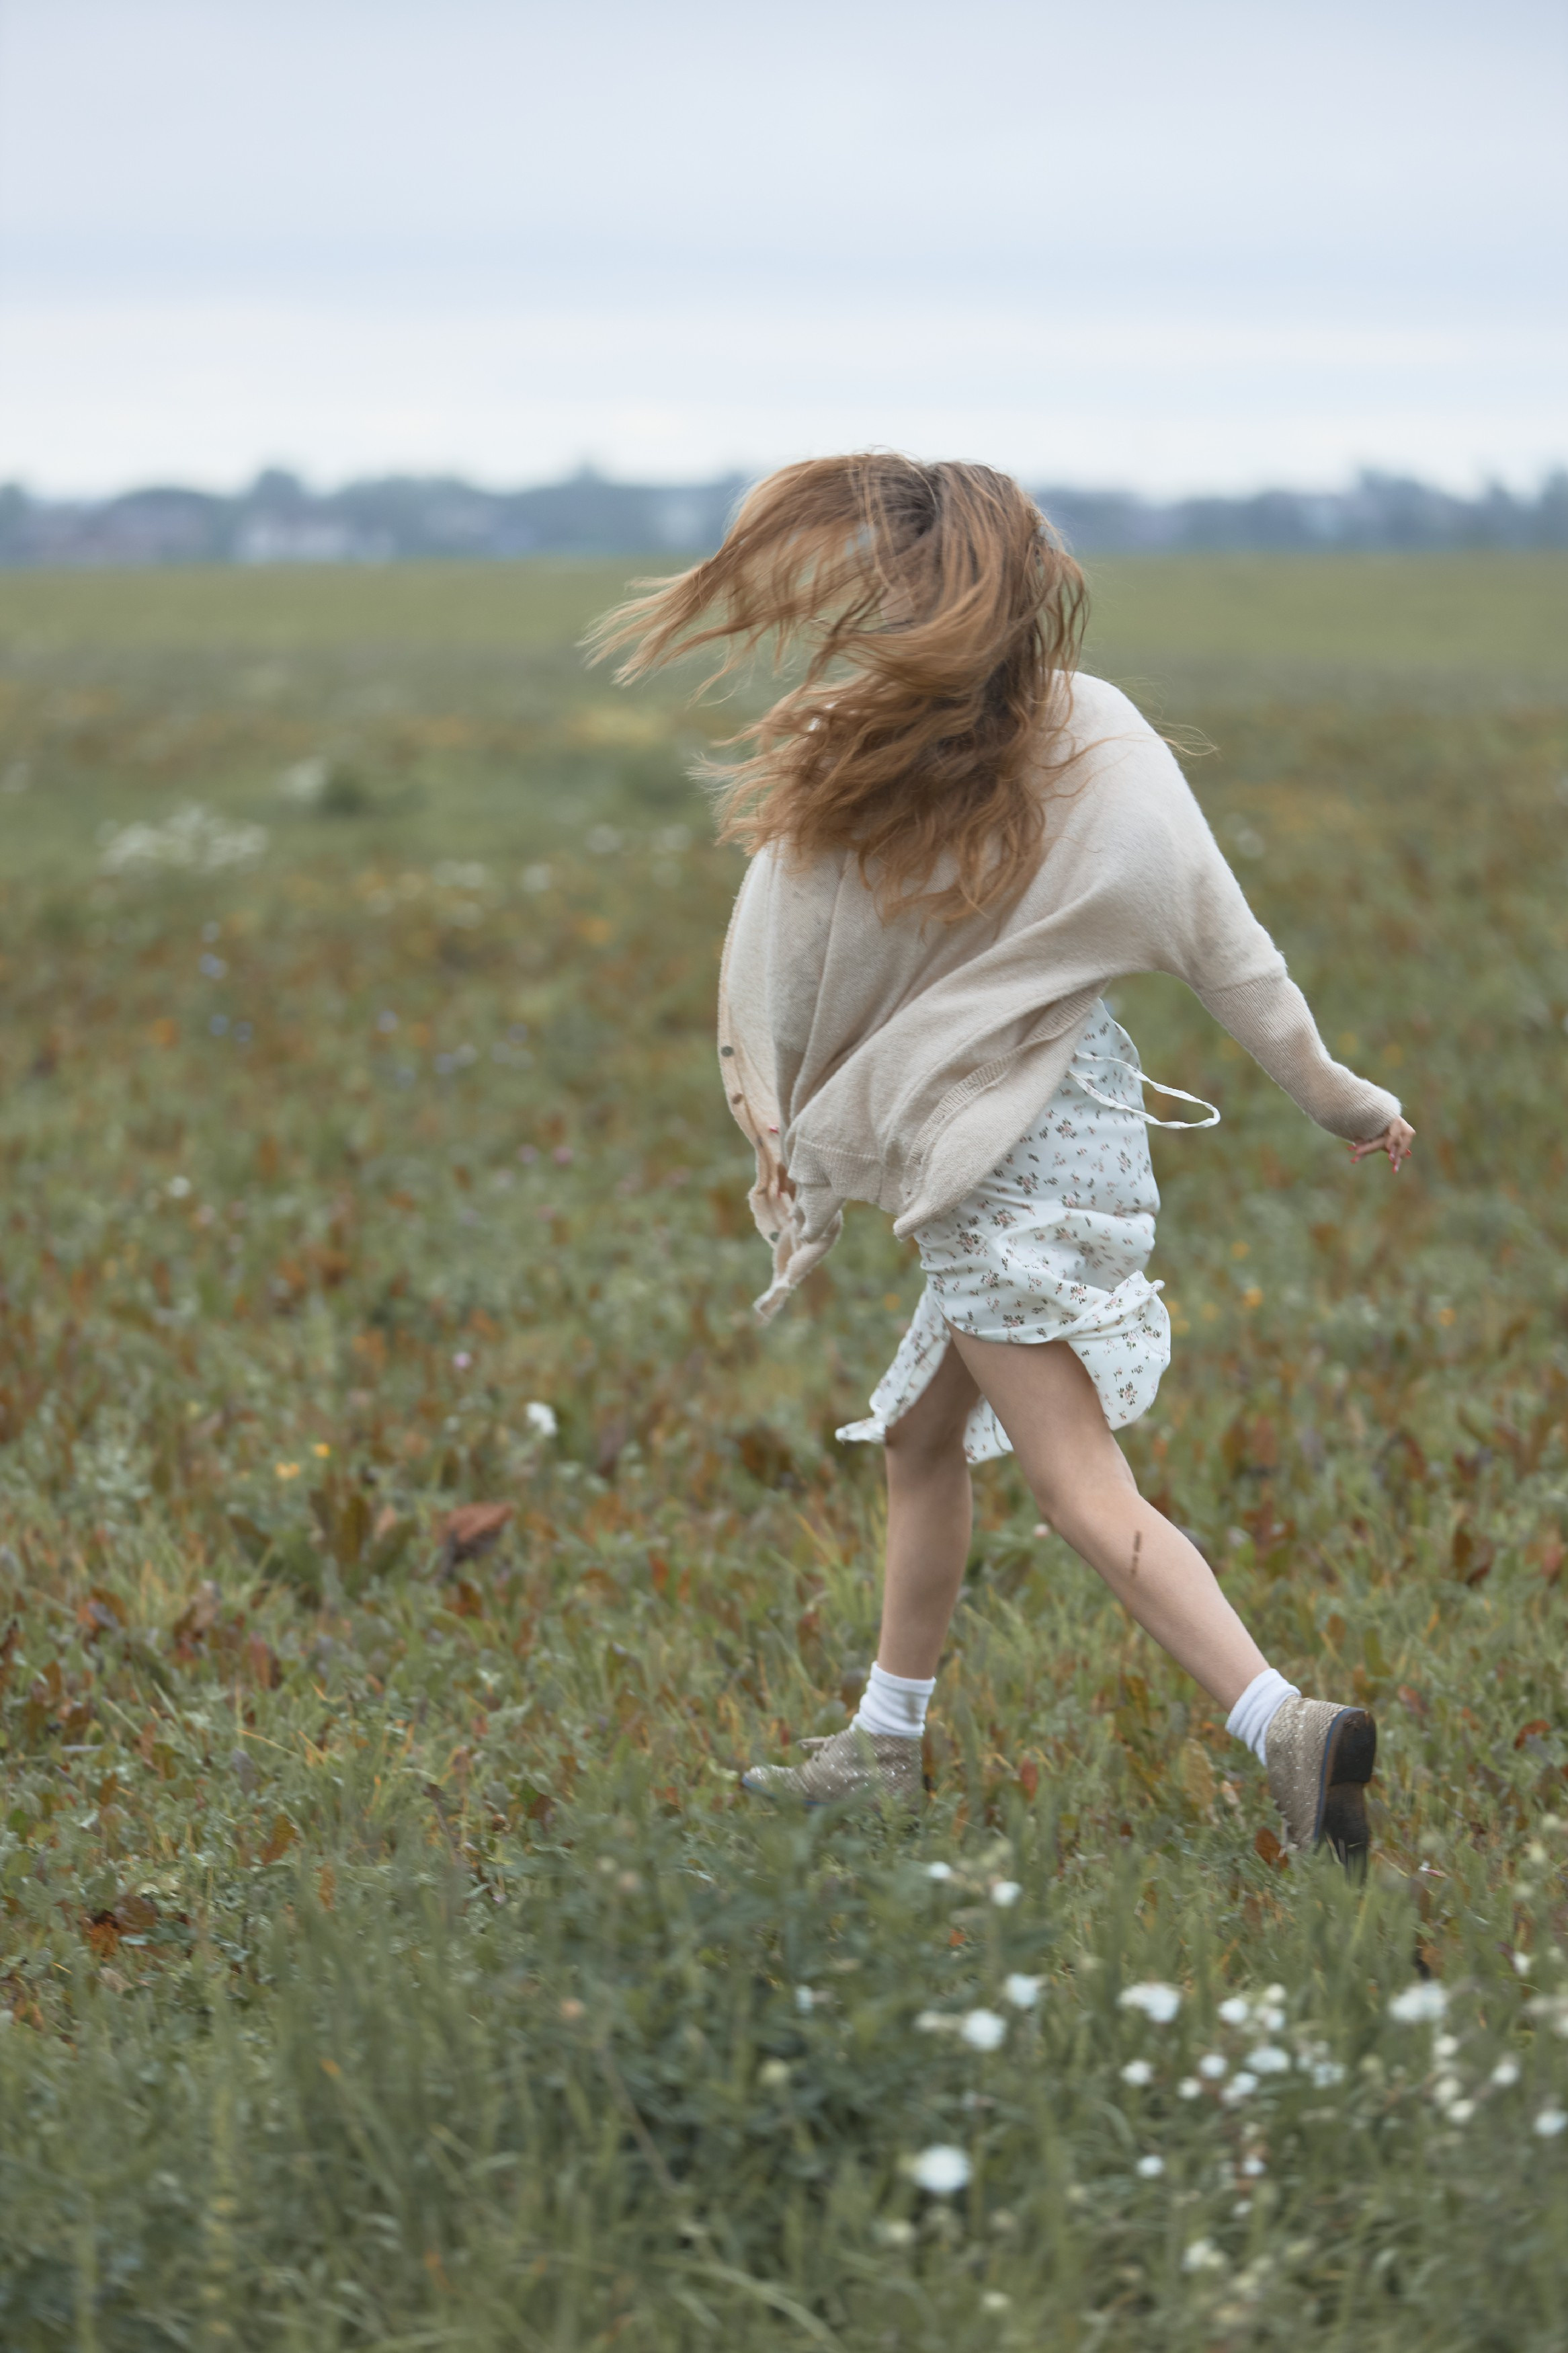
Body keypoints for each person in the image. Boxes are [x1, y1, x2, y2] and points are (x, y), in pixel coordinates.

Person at [591, 454, 1413, 1868]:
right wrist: (1343, 1099)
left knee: (1078, 1484)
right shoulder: (1099, 733)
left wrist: (781, 1123)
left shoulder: (874, 752)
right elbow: (1235, 952)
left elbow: (776, 966)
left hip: (989, 1163)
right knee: (923, 1439)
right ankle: (886, 1746)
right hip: (1073, 1126)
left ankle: (1282, 1722)